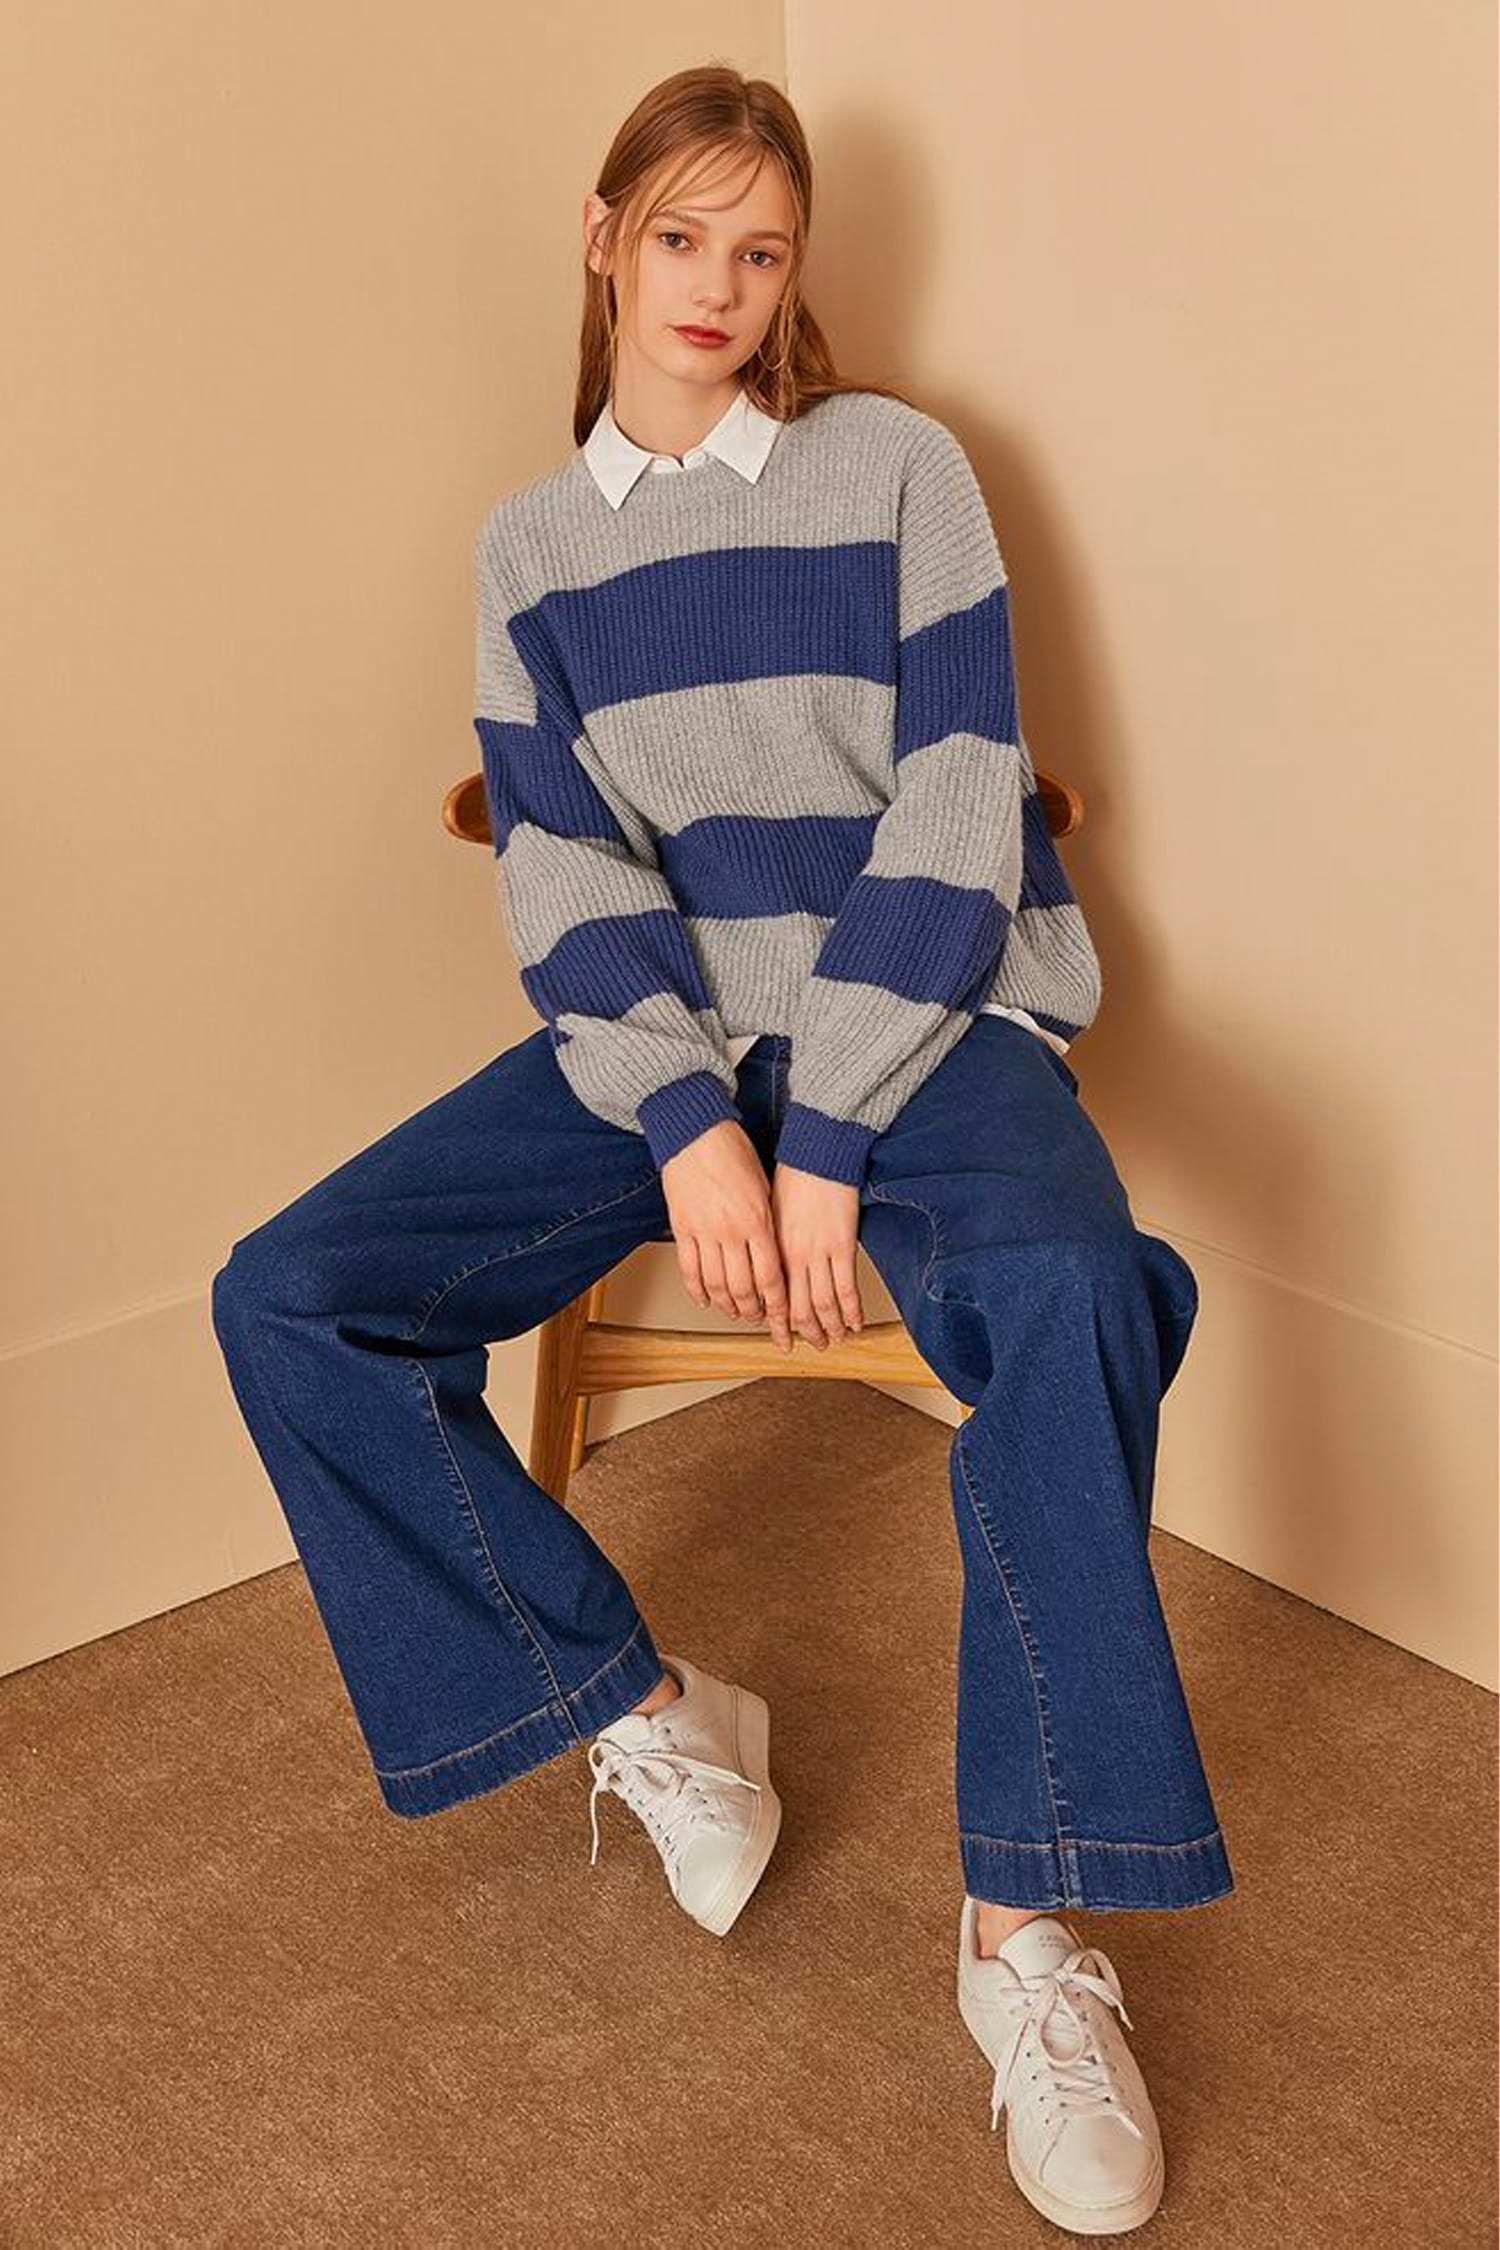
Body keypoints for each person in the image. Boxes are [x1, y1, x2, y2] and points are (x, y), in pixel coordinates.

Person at [211, 63, 1234, 2239]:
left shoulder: (900, 470)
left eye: (761, 251)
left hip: (921, 1022)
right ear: (604, 241)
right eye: (681, 238)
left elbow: (961, 802)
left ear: (796, 273)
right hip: (661, 1049)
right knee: (290, 1296)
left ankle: (1027, 1931)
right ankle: (648, 1701)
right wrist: (689, 1125)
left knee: (1072, 1283)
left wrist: (826, 1129)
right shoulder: (530, 551)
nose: (719, 286)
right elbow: (564, 873)